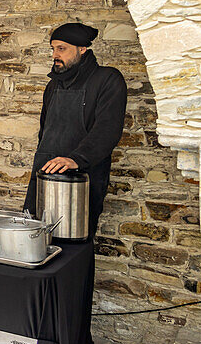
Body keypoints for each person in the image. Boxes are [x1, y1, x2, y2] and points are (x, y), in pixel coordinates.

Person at [23, 22, 127, 238]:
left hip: (81, 178)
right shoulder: (53, 85)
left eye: (62, 48)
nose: (55, 55)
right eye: (53, 49)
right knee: (34, 237)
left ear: (82, 49)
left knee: (73, 245)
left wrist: (76, 159)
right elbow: (45, 132)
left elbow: (108, 130)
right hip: (45, 172)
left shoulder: (107, 80)